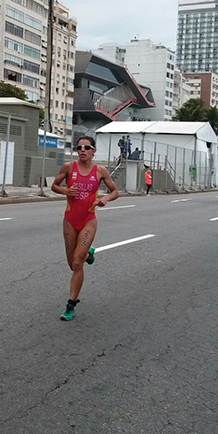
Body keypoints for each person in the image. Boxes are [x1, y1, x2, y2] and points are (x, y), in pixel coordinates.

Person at [51, 136, 120, 321]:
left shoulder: (100, 171)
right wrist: (66, 191)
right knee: (71, 264)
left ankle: (70, 306)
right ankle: (89, 254)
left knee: (77, 263)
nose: (82, 150)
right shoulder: (68, 167)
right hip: (70, 221)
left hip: (88, 220)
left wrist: (105, 198)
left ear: (93, 150)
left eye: (86, 147)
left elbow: (115, 191)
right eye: (79, 147)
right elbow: (54, 185)